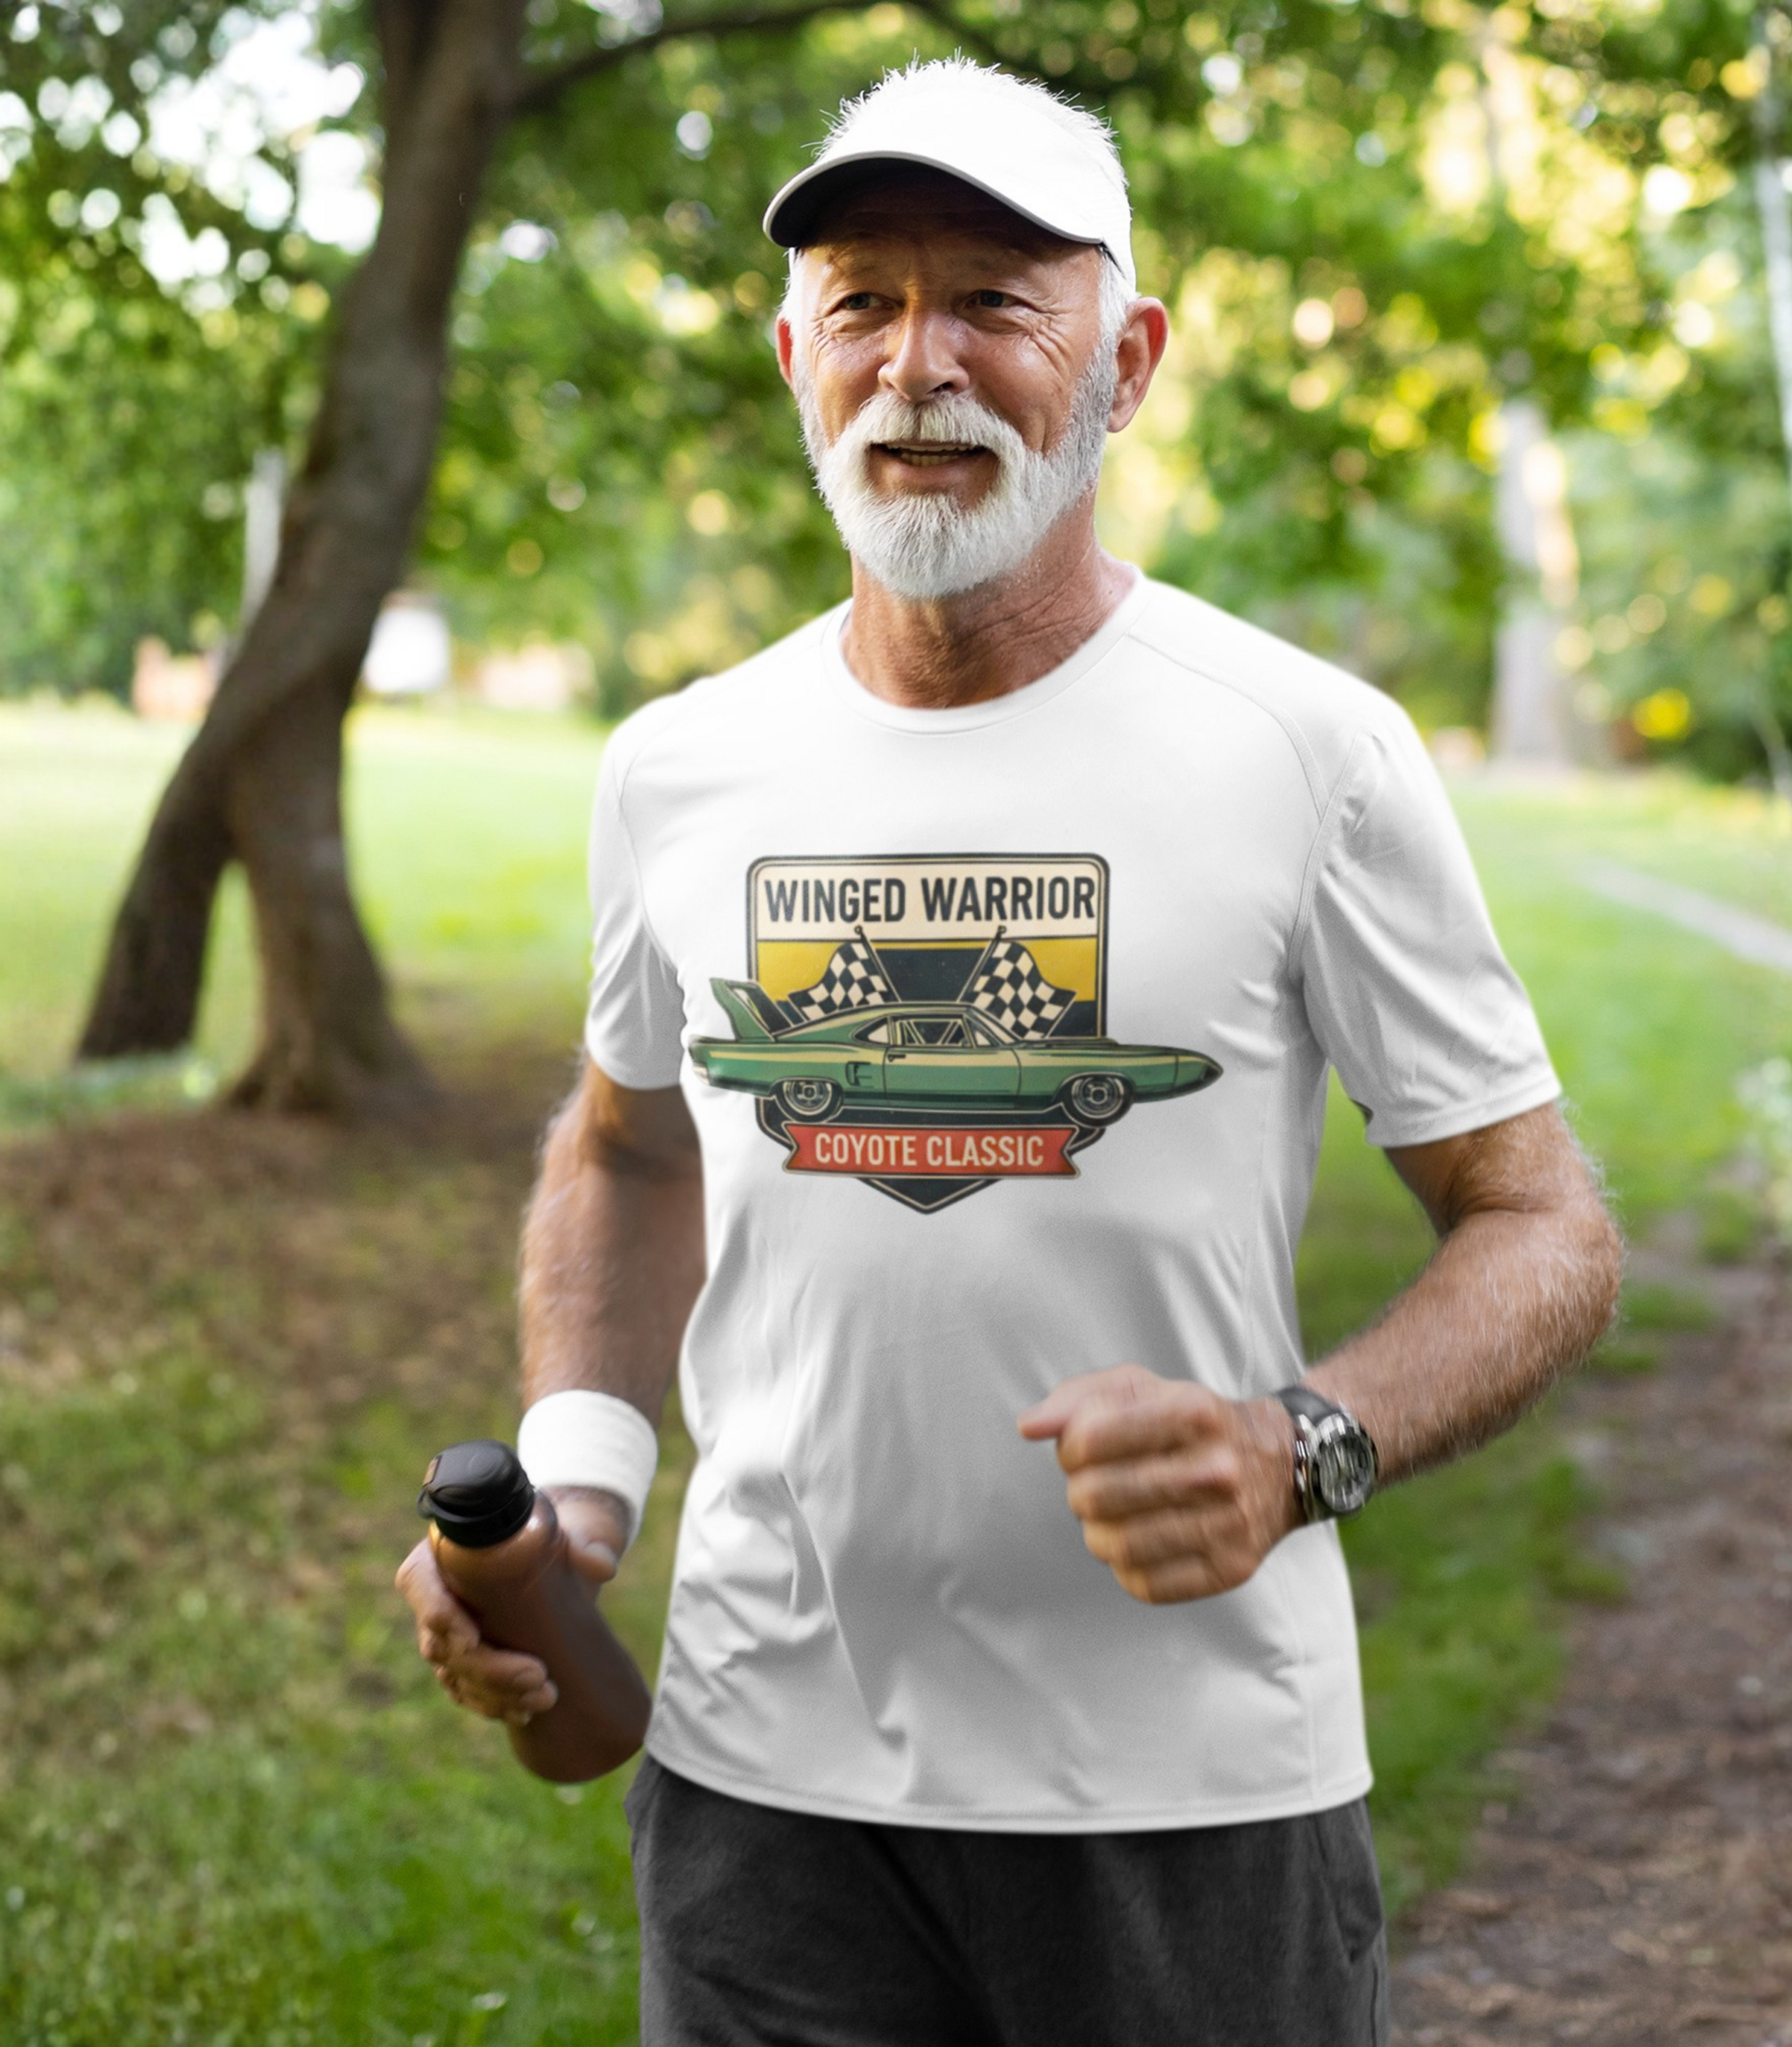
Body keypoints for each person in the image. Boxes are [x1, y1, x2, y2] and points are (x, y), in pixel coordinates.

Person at [396, 56, 1620, 2046]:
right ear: (793, 352)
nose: (918, 364)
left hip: (1191, 1801)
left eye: (993, 300)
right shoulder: (679, 767)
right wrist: (580, 1488)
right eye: (865, 303)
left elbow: (1542, 1219)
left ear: (1125, 361)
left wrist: (1298, 1446)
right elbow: (628, 1151)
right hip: (757, 1793)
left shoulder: (1303, 751)